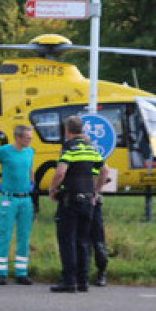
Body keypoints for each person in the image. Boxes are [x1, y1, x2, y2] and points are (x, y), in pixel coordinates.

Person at [48, 116, 109, 293]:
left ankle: (69, 281)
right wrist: (96, 191)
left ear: (67, 130)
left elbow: (60, 172)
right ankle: (83, 281)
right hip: (88, 200)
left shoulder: (68, 148)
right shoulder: (91, 148)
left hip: (70, 200)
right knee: (83, 241)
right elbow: (104, 171)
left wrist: (52, 189)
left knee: (68, 241)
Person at [0, 125, 35, 286]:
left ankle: (21, 272)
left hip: (25, 198)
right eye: (27, 137)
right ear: (18, 138)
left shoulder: (29, 151)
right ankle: (1, 272)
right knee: (5, 234)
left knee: (24, 235)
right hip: (9, 198)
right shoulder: (5, 151)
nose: (30, 139)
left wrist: (32, 181)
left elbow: (30, 167)